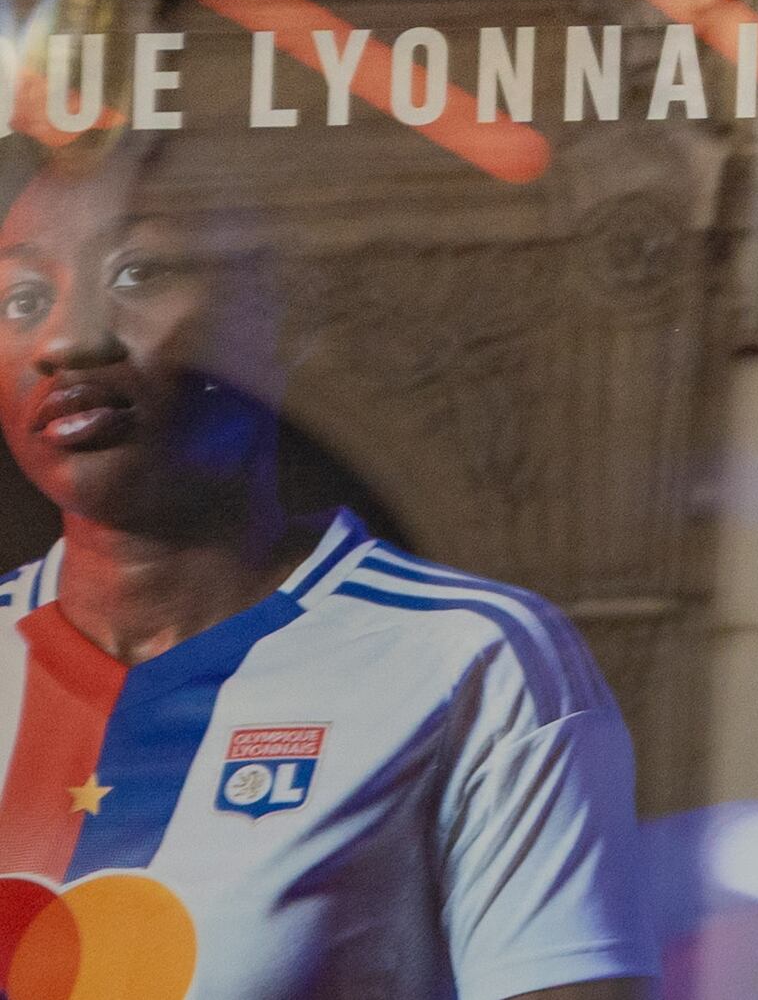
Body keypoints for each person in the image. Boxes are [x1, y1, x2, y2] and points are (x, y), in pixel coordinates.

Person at [0, 137, 649, 1000]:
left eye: (140, 273)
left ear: (282, 316)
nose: (69, 341)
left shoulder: (471, 658)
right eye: (22, 297)